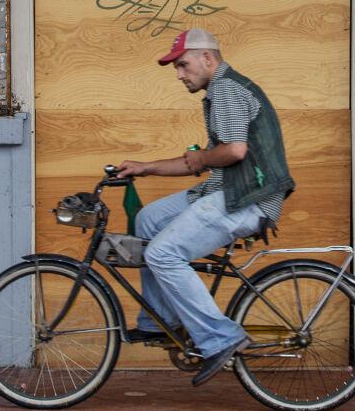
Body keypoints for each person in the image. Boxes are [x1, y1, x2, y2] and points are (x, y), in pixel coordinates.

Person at [114, 28, 296, 387]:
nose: (180, 75)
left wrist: (200, 157)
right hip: (226, 189)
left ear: (207, 58)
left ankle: (219, 339)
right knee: (148, 220)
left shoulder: (227, 89)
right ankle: (161, 320)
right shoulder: (219, 92)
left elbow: (233, 151)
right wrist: (145, 167)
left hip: (248, 197)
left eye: (183, 65)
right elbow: (201, 163)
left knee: (163, 254)